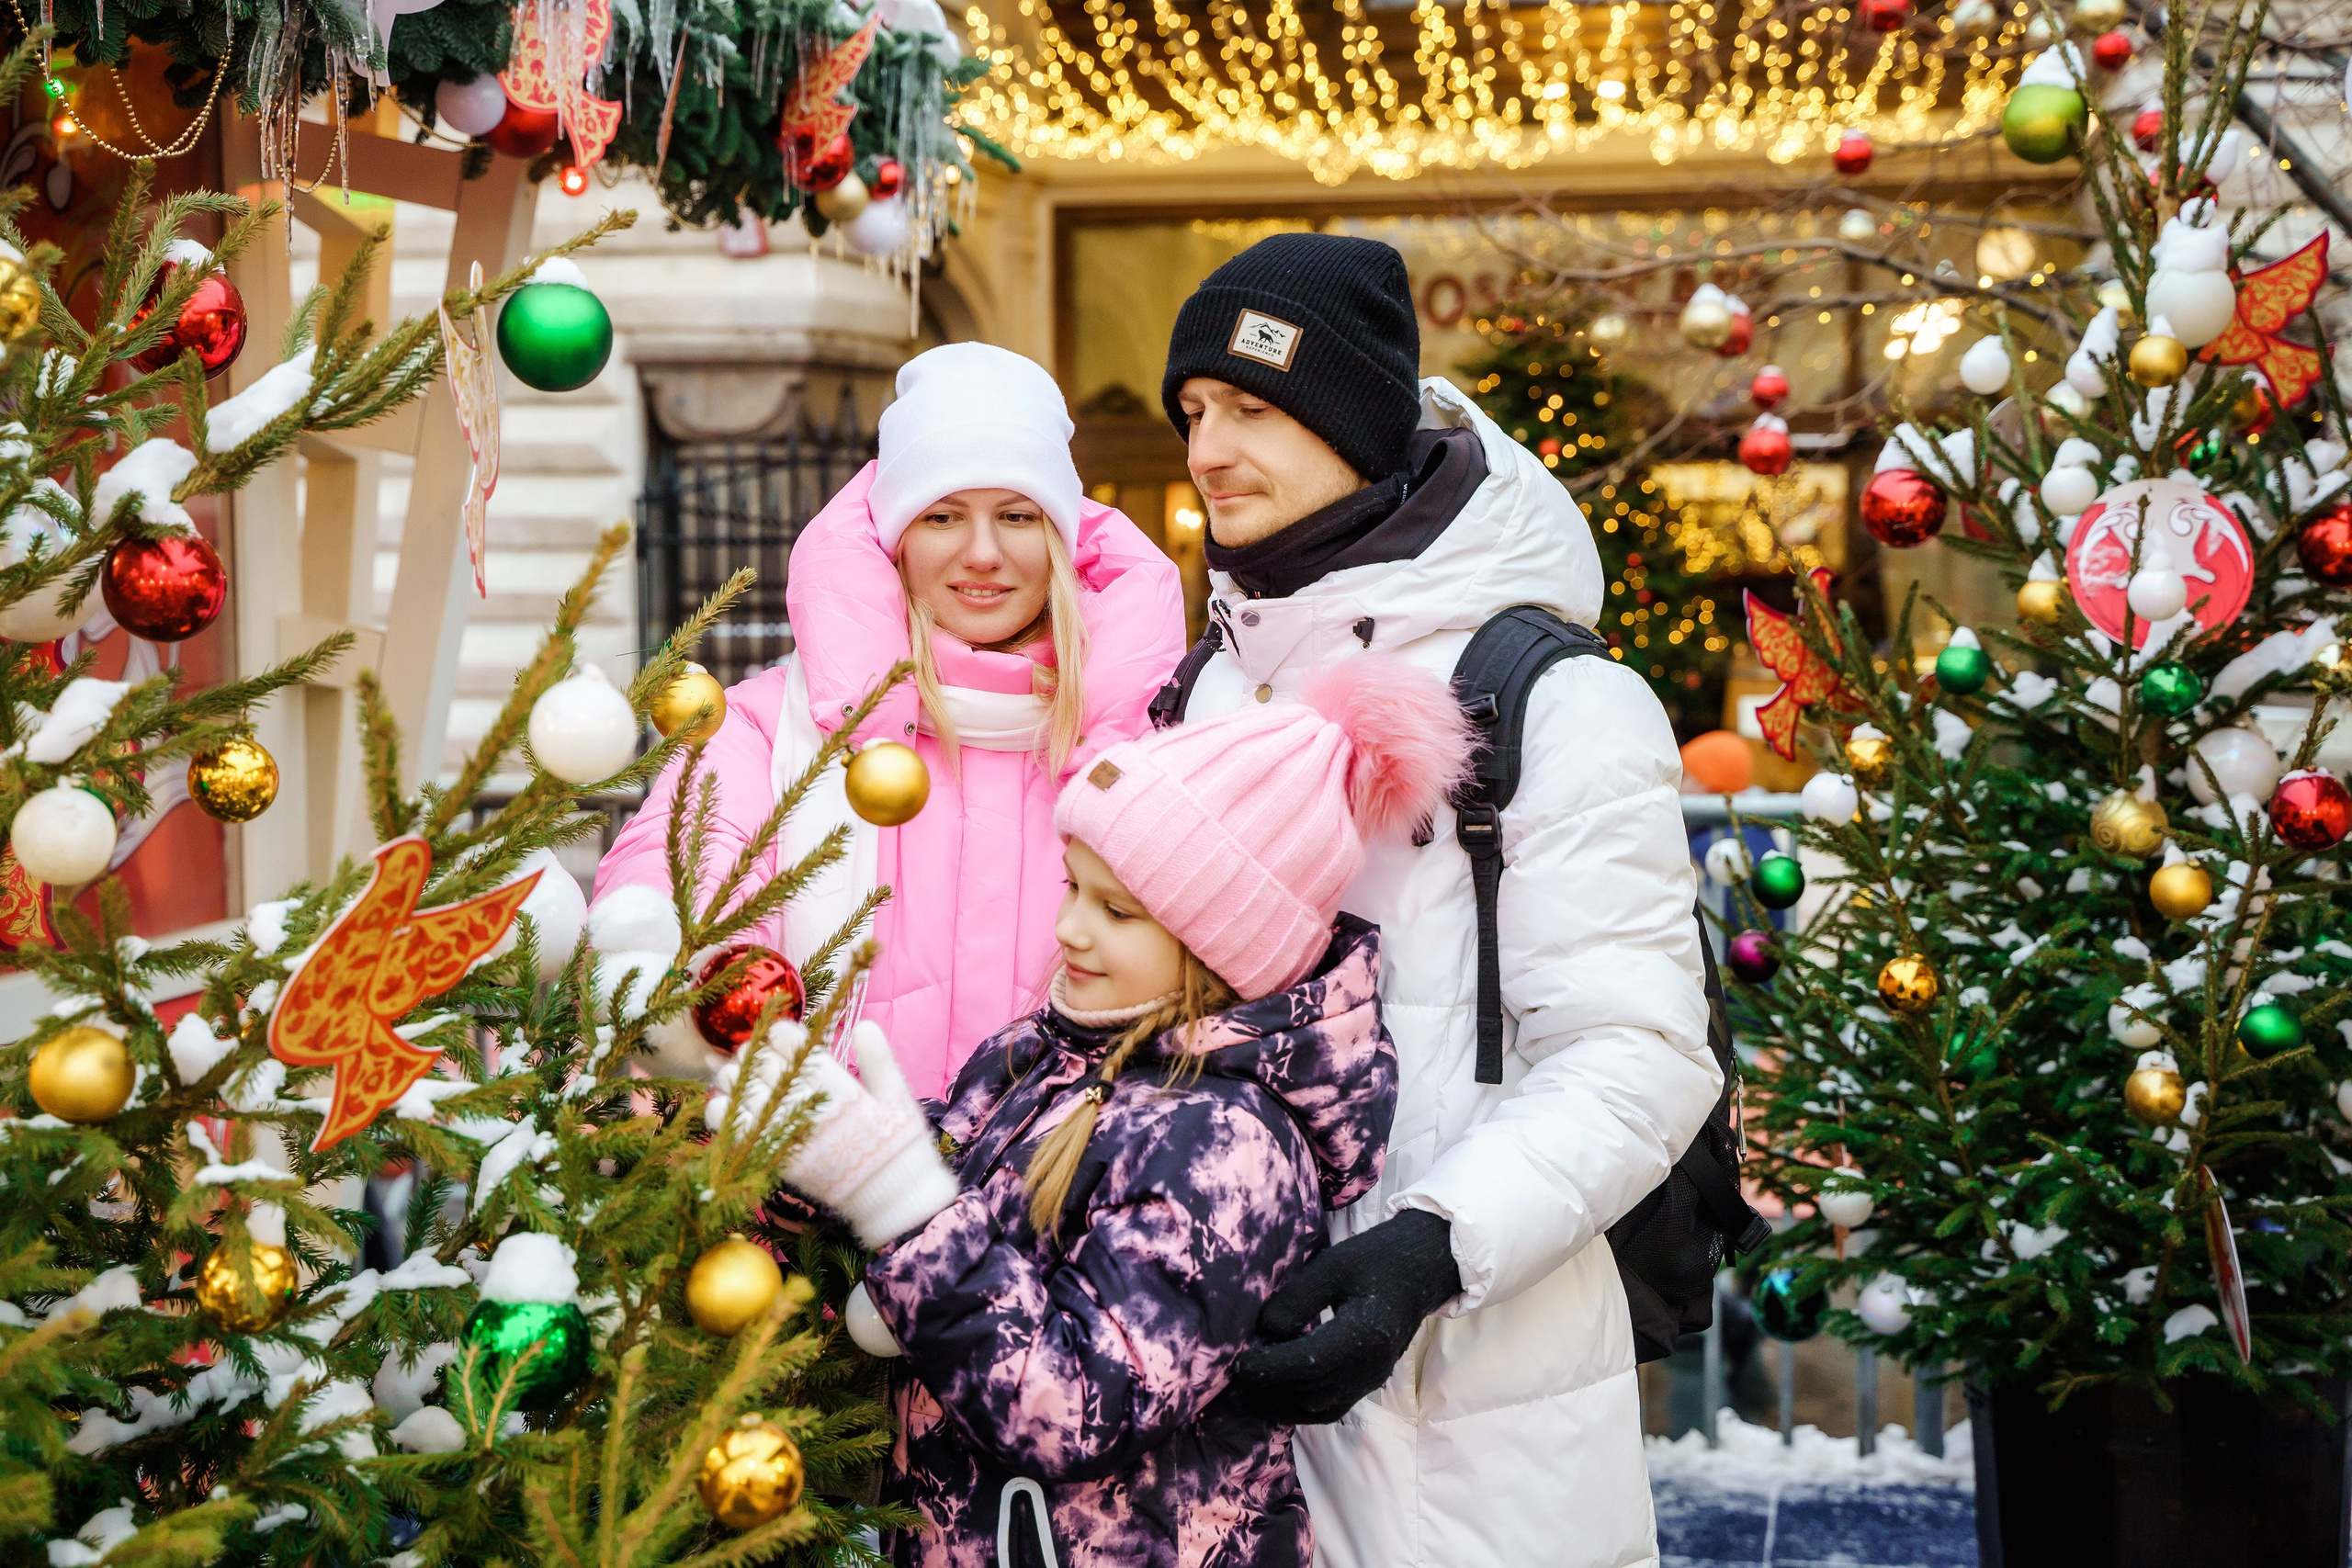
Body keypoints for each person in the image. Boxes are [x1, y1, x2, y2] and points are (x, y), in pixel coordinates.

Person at [1159, 232, 1723, 1565]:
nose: (1208, 450)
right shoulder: (1213, 681)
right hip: (1224, 1371)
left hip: (1479, 1383)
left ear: (1358, 422)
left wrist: (1427, 1249)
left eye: (1253, 409)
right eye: (1194, 411)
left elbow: (1637, 1053)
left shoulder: (1552, 696)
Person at [768, 659, 1472, 1567]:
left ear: (1221, 941)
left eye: (1118, 911)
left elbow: (1069, 1410)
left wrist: (898, 1204)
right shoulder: (1039, 1055)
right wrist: (803, 1152)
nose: (1069, 930)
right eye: (1072, 887)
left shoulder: (1224, 1147)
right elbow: (941, 1183)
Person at [588, 343, 1186, 1098]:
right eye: (942, 515)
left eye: (1015, 514)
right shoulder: (766, 732)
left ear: (1060, 538)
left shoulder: (1150, 746)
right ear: (893, 540)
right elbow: (675, 910)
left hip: (1072, 1191)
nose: (983, 553)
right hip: (814, 1189)